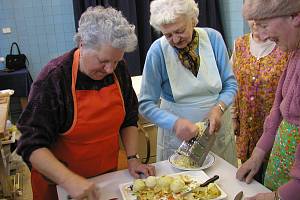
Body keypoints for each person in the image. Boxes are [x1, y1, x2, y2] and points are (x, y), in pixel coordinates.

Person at [16, 6, 155, 200]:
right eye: (103, 61)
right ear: (82, 44)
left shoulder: (118, 70)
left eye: (116, 61)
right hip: (58, 185)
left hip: (106, 176)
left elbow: (129, 118)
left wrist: (132, 158)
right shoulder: (54, 79)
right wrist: (68, 180)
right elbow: (29, 142)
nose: (109, 69)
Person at [138, 0, 238, 166]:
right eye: (168, 35)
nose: (176, 39)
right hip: (177, 141)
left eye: (180, 31)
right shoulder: (157, 51)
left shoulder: (213, 39)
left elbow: (230, 85)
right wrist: (175, 123)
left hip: (217, 133)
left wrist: (218, 108)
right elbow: (146, 104)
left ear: (193, 19)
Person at [236, 0, 300, 199]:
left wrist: (277, 197)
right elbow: (277, 110)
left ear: (295, 16)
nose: (262, 35)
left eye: (264, 25)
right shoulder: (294, 52)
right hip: (283, 177)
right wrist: (257, 154)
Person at [231, 20, 289, 182]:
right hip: (246, 127)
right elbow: (232, 82)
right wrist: (234, 117)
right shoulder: (240, 44)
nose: (255, 21)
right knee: (249, 178)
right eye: (251, 17)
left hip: (277, 127)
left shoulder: (285, 45)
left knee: (271, 179)